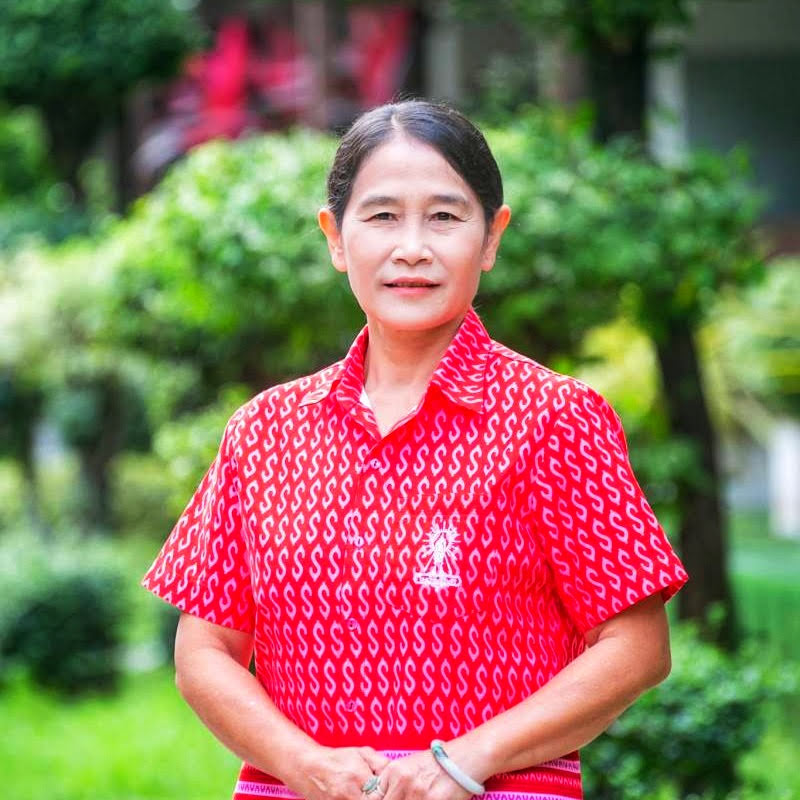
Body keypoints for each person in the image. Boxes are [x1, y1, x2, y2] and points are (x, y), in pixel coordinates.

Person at [143, 99, 688, 800]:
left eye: (445, 217)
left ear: (491, 238)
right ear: (335, 237)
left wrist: (465, 759)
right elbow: (203, 650)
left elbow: (638, 648)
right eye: (381, 216)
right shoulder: (265, 431)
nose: (412, 248)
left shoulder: (556, 419)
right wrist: (304, 762)